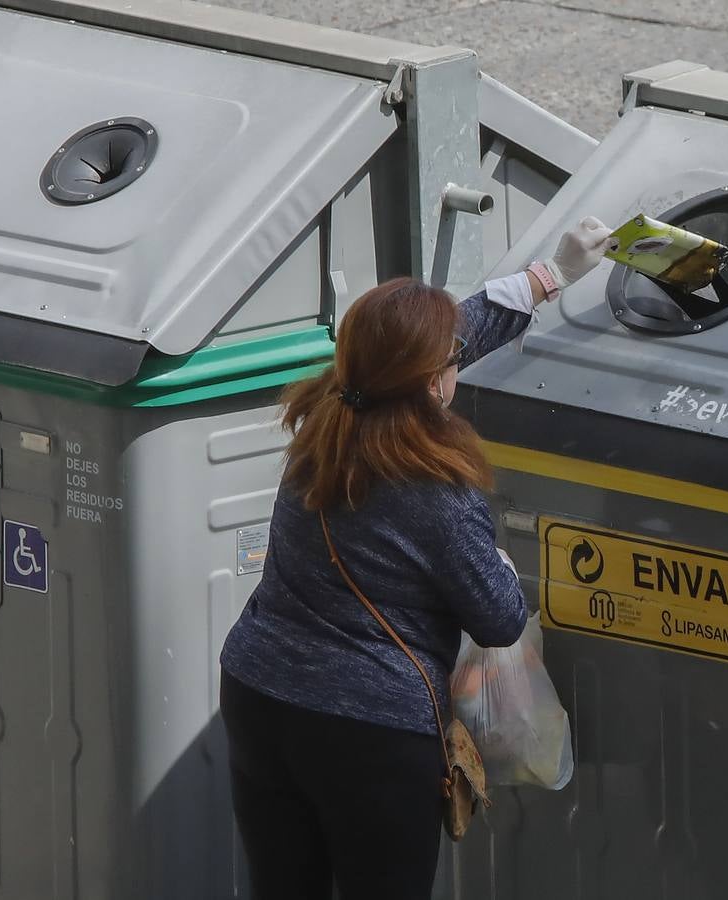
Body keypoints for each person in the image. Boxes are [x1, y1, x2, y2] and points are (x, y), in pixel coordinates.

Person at [218, 217, 617, 900]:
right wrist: (491, 554)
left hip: (259, 695)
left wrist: (553, 273)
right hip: (366, 731)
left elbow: (432, 338)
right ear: (434, 383)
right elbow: (497, 619)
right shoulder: (436, 493)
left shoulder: (326, 409)